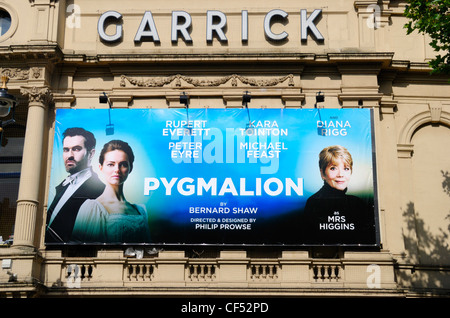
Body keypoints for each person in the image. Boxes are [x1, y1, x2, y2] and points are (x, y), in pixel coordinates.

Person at [71, 140, 151, 243]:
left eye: (123, 164)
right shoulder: (92, 208)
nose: (117, 169)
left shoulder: (141, 210)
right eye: (110, 164)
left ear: (130, 168)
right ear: (101, 167)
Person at [302, 145, 375, 244]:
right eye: (333, 168)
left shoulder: (357, 203)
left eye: (346, 168)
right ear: (322, 173)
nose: (341, 174)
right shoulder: (314, 202)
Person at [46, 128, 105, 243]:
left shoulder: (100, 190)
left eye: (76, 149)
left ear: (91, 153)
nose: (70, 155)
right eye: (66, 150)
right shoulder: (62, 186)